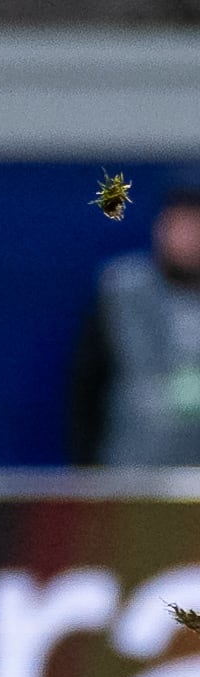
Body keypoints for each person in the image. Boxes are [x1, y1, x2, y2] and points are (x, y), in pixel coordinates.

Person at [67, 183, 200, 470]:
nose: (189, 238)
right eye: (179, 225)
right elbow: (87, 386)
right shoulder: (122, 291)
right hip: (132, 473)